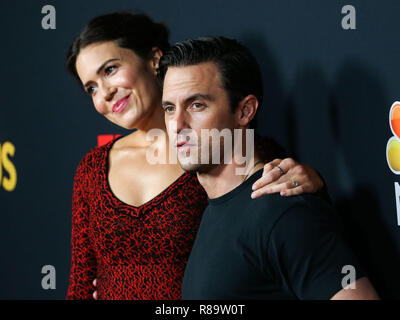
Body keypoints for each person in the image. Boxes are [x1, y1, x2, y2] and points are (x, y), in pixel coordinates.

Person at [66, 12, 327, 300]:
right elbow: (80, 284)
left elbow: (286, 224)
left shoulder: (225, 151)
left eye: (110, 70)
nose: (105, 92)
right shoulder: (92, 168)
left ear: (154, 59)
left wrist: (312, 183)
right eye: (91, 88)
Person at [159, 36, 380, 299]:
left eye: (197, 105)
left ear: (245, 111)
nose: (177, 124)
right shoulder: (215, 209)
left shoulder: (283, 210)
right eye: (170, 108)